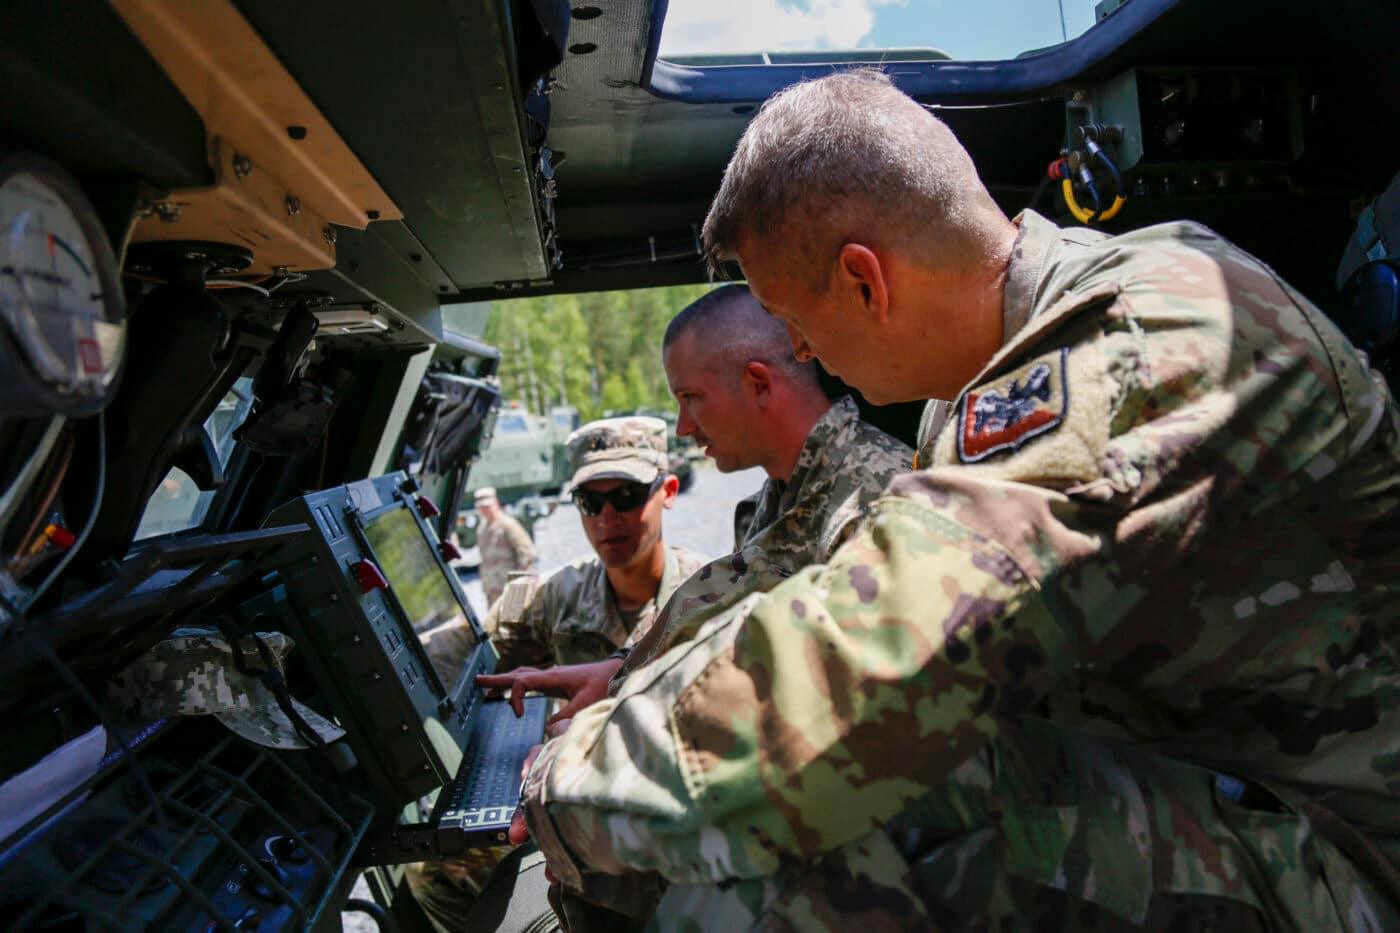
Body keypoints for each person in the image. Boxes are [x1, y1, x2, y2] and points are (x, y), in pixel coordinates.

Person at [513, 70, 1400, 930]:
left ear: (866, 281)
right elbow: (838, 589)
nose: (800, 352)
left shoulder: (1136, 337)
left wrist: (569, 785)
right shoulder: (981, 382)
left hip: (1347, 856)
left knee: (863, 812)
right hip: (1214, 785)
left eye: (791, 320)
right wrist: (639, 685)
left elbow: (871, 652)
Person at [478, 283, 912, 730]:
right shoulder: (786, 496)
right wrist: (615, 676)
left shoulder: (873, 503)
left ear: (758, 383)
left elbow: (840, 716)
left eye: (690, 398)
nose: (684, 427)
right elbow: (729, 630)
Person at [408, 416, 704, 933]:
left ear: (668, 490)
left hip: (674, 825)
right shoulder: (557, 598)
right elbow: (456, 649)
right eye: (591, 501)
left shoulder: (714, 595)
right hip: (570, 816)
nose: (608, 516)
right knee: (434, 877)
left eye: (627, 495)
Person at [473, 486, 536, 608]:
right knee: (495, 623)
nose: (485, 510)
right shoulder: (482, 529)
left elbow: (527, 553)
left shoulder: (508, 525)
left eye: (487, 506)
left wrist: (518, 580)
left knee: (514, 622)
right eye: (481, 507)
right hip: (492, 587)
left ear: (496, 503)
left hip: (510, 585)